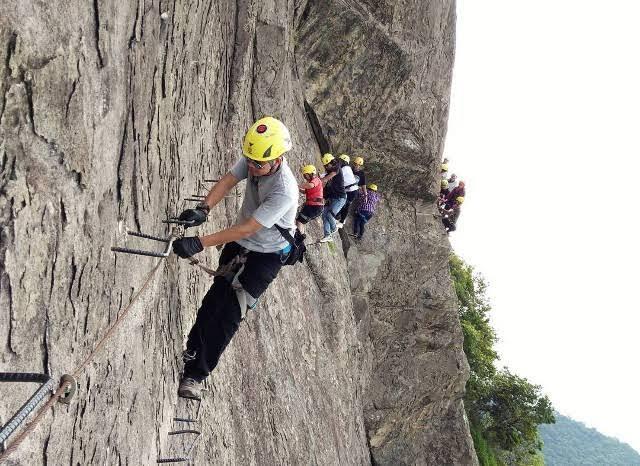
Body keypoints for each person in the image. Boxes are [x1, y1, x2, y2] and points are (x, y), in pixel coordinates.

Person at [171, 116, 298, 400]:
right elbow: (229, 180)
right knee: (215, 299)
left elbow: (249, 226)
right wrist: (204, 208)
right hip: (240, 244)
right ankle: (192, 349)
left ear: (277, 159)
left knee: (230, 314)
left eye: (258, 164)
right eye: (250, 161)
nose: (252, 167)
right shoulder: (256, 158)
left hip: (266, 256)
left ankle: (196, 375)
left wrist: (199, 243)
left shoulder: (284, 190)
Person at [319, 153, 346, 242]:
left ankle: (334, 228)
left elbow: (326, 179)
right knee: (324, 215)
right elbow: (325, 183)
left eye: (327, 165)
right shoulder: (329, 171)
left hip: (340, 198)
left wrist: (320, 181)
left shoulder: (336, 168)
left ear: (331, 162)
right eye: (325, 166)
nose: (326, 167)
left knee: (330, 214)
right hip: (332, 197)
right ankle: (327, 235)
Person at [296, 164, 323, 236]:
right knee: (301, 221)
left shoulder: (316, 180)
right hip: (312, 206)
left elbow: (310, 185)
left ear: (311, 174)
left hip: (314, 207)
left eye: (306, 175)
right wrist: (298, 189)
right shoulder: (312, 182)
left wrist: (298, 185)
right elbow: (305, 191)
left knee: (299, 222)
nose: (305, 177)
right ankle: (300, 237)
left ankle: (298, 239)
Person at [336, 154, 359, 227]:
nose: (339, 162)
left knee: (346, 205)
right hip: (349, 190)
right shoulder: (345, 168)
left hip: (351, 191)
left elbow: (335, 174)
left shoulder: (345, 168)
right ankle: (339, 218)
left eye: (341, 161)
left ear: (344, 162)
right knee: (343, 204)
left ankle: (342, 222)